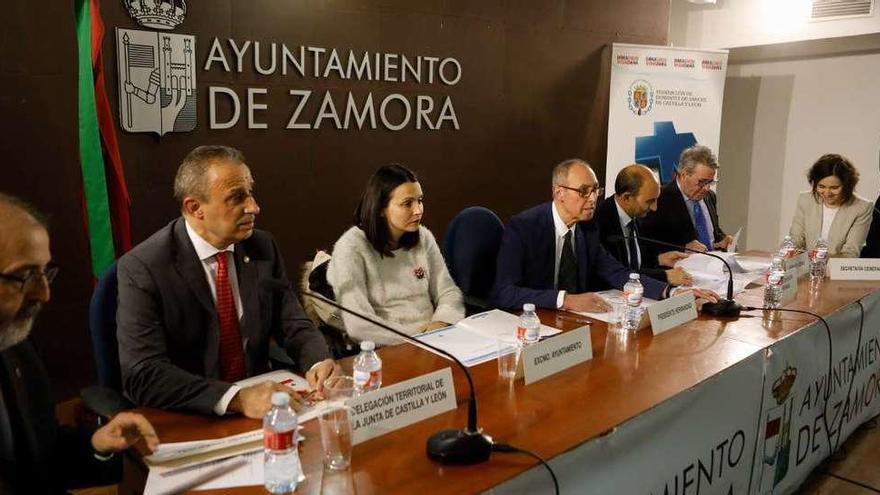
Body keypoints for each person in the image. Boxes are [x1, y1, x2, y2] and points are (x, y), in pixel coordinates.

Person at [117, 145, 335, 419]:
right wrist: (235, 398)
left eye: (251, 192)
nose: (254, 207)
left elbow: (291, 322)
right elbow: (143, 373)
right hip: (190, 415)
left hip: (263, 408)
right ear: (195, 208)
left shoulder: (261, 246)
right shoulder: (143, 268)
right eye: (236, 197)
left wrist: (317, 360)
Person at [0, 193, 159, 494]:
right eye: (25, 275)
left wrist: (98, 443)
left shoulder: (15, 346)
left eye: (44, 273)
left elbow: (39, 456)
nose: (44, 295)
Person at [489, 159, 717, 312]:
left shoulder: (587, 228)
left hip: (572, 324)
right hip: (531, 322)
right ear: (558, 192)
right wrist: (565, 300)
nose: (592, 199)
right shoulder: (524, 227)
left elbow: (617, 273)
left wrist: (672, 292)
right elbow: (504, 293)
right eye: (583, 191)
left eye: (595, 190)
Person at [327, 164, 465, 346]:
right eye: (407, 203)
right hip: (387, 348)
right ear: (380, 209)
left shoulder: (423, 237)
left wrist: (440, 323)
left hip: (436, 339)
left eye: (420, 200)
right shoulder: (350, 247)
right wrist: (420, 337)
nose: (418, 210)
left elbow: (448, 292)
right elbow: (358, 326)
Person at [595, 164, 692, 286]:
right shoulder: (600, 222)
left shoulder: (638, 215)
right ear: (627, 198)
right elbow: (619, 273)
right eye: (650, 201)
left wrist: (659, 259)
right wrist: (665, 276)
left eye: (656, 199)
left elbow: (637, 261)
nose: (654, 208)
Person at [641, 145, 733, 253]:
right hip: (679, 267)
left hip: (713, 265)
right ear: (684, 175)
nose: (707, 188)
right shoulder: (659, 199)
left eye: (710, 182)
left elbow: (714, 233)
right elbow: (646, 245)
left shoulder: (710, 197)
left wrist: (723, 240)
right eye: (702, 182)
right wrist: (682, 248)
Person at [789, 154, 872, 258]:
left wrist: (815, 261)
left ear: (847, 185)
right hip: (805, 269)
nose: (827, 193)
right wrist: (790, 253)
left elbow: (850, 253)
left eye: (834, 187)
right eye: (821, 186)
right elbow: (795, 239)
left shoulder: (861, 208)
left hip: (838, 271)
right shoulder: (805, 200)